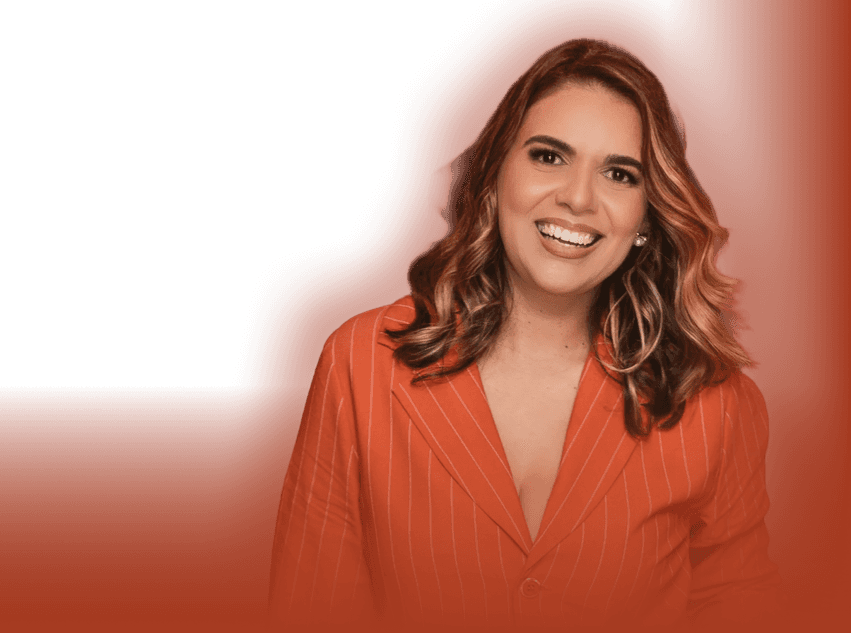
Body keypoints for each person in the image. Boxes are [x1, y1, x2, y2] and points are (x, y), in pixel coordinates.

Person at [268, 39, 779, 629]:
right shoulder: (361, 361)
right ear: (495, 176)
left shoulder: (712, 400)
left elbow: (743, 607)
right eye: (549, 156)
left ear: (646, 216)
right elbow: (310, 610)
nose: (579, 198)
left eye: (619, 173)